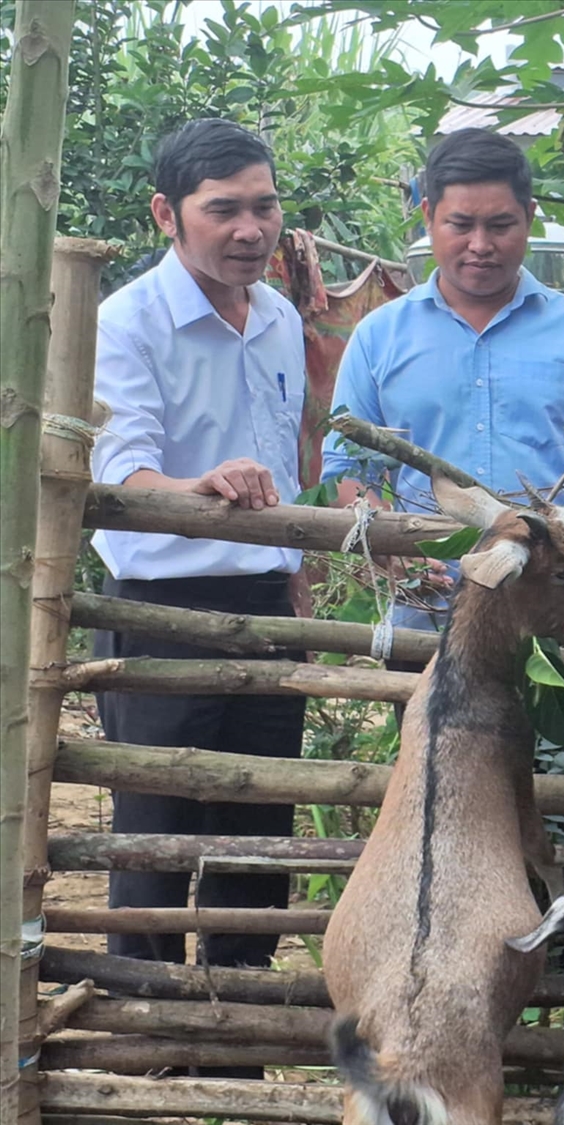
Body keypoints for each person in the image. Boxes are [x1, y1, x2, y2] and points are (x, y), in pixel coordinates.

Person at [90, 118, 309, 1076]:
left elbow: (287, 474)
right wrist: (201, 487)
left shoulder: (282, 318)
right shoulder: (126, 320)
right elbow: (118, 467)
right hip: (157, 601)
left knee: (258, 823)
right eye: (223, 209)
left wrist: (297, 586)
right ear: (167, 214)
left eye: (262, 205)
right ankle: (148, 1033)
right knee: (155, 826)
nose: (249, 228)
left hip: (266, 600)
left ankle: (240, 1033)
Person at [319, 127, 564, 634]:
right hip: (430, 606)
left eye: (501, 225)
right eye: (460, 224)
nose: (480, 245)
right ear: (428, 218)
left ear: (529, 217)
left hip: (563, 613)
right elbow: (347, 470)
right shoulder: (379, 336)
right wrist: (393, 553)